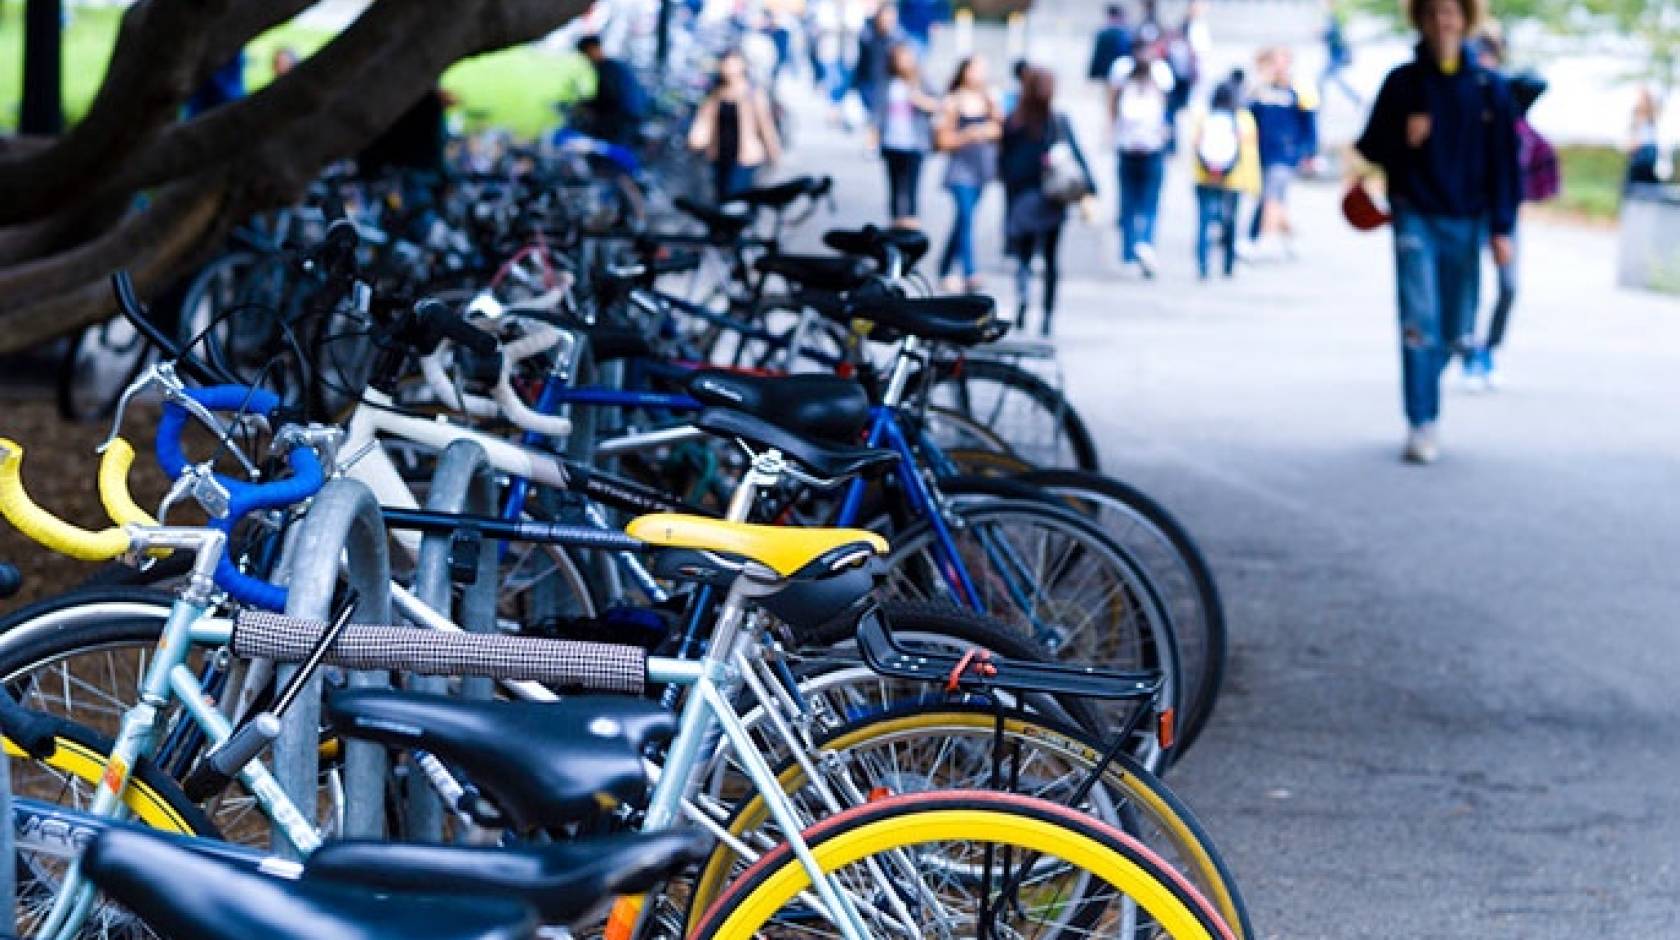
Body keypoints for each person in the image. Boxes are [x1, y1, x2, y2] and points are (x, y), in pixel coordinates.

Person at [1354, 0, 1520, 464]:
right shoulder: (1403, 82)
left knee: (1455, 330)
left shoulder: (1490, 88)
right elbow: (1369, 146)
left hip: (1467, 220)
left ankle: (1430, 376)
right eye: (1432, 14)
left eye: (1450, 14)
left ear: (1466, 20)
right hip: (1415, 215)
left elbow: (1506, 165)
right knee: (1418, 322)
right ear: (1421, 21)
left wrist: (1503, 228)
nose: (1442, 23)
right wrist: (1402, 139)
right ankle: (1422, 419)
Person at [1464, 31, 1555, 389]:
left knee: (1508, 285)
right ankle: (1469, 349)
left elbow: (1536, 81)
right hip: (1469, 211)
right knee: (1467, 286)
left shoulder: (1507, 99)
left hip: (1504, 211)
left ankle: (1489, 347)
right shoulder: (1463, 102)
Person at [1001, 67, 1095, 336]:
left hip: (1028, 198)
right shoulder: (1052, 121)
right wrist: (1089, 187)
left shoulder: (1018, 121)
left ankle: (1025, 306)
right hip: (1048, 198)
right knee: (1049, 259)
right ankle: (1044, 313)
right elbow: (1076, 154)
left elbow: (1006, 165)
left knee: (1027, 258)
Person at [935, 56, 1002, 292]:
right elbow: (942, 140)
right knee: (965, 218)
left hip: (982, 169)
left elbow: (1001, 128)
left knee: (963, 220)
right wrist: (966, 136)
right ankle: (970, 271)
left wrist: (987, 129)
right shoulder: (953, 102)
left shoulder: (989, 99)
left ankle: (944, 266)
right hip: (960, 170)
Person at [1109, 39, 1175, 278]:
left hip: (1128, 150)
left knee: (1129, 203)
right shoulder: (1157, 87)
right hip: (1150, 151)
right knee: (1148, 204)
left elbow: (1115, 113)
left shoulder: (1124, 87)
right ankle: (1144, 244)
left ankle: (1129, 251)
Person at [1246, 47, 1319, 258]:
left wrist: (1309, 152)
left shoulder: (1299, 89)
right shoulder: (1260, 90)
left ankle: (1262, 239)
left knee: (1272, 195)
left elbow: (1310, 122)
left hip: (1286, 153)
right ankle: (1290, 237)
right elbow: (1246, 111)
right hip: (1261, 153)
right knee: (1275, 199)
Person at [688, 50, 783, 201]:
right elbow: (704, 121)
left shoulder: (753, 93)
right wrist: (696, 140)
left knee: (736, 196)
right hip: (720, 155)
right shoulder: (716, 93)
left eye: (733, 64)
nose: (729, 69)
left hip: (745, 157)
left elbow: (766, 125)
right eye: (726, 64)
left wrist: (773, 152)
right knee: (721, 196)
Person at [1190, 81, 1261, 279]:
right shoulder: (1244, 120)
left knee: (1203, 223)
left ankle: (1203, 265)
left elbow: (1195, 146)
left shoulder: (1203, 117)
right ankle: (1228, 265)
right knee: (1230, 222)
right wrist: (1253, 185)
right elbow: (1249, 156)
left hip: (1204, 178)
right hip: (1233, 179)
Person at [876, 43, 939, 226]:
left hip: (914, 143)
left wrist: (919, 99)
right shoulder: (888, 82)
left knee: (912, 188)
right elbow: (879, 110)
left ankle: (911, 222)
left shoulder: (921, 81)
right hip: (892, 141)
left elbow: (937, 104)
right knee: (894, 187)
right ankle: (895, 222)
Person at [578, 35, 648, 147]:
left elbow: (608, 97)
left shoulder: (605, 70)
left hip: (619, 122)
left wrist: (587, 105)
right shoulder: (615, 66)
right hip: (629, 119)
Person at [853, 4, 906, 123]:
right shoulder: (867, 36)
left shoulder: (898, 38)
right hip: (869, 82)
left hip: (888, 84)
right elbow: (861, 62)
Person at [1320, 0, 1362, 108]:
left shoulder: (1336, 16)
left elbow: (1337, 36)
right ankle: (1356, 98)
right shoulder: (1333, 15)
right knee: (1334, 79)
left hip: (1338, 54)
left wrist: (1324, 36)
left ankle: (1356, 98)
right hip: (1336, 54)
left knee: (1324, 79)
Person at [1626, 87, 1663, 189]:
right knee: (1642, 177)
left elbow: (1637, 135)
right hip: (1643, 150)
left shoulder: (1649, 116)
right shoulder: (1638, 115)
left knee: (1641, 176)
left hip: (1645, 149)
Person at [1088, 5, 1131, 85]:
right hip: (1116, 69)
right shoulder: (1124, 34)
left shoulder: (1105, 34)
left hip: (1115, 69)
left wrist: (1093, 72)